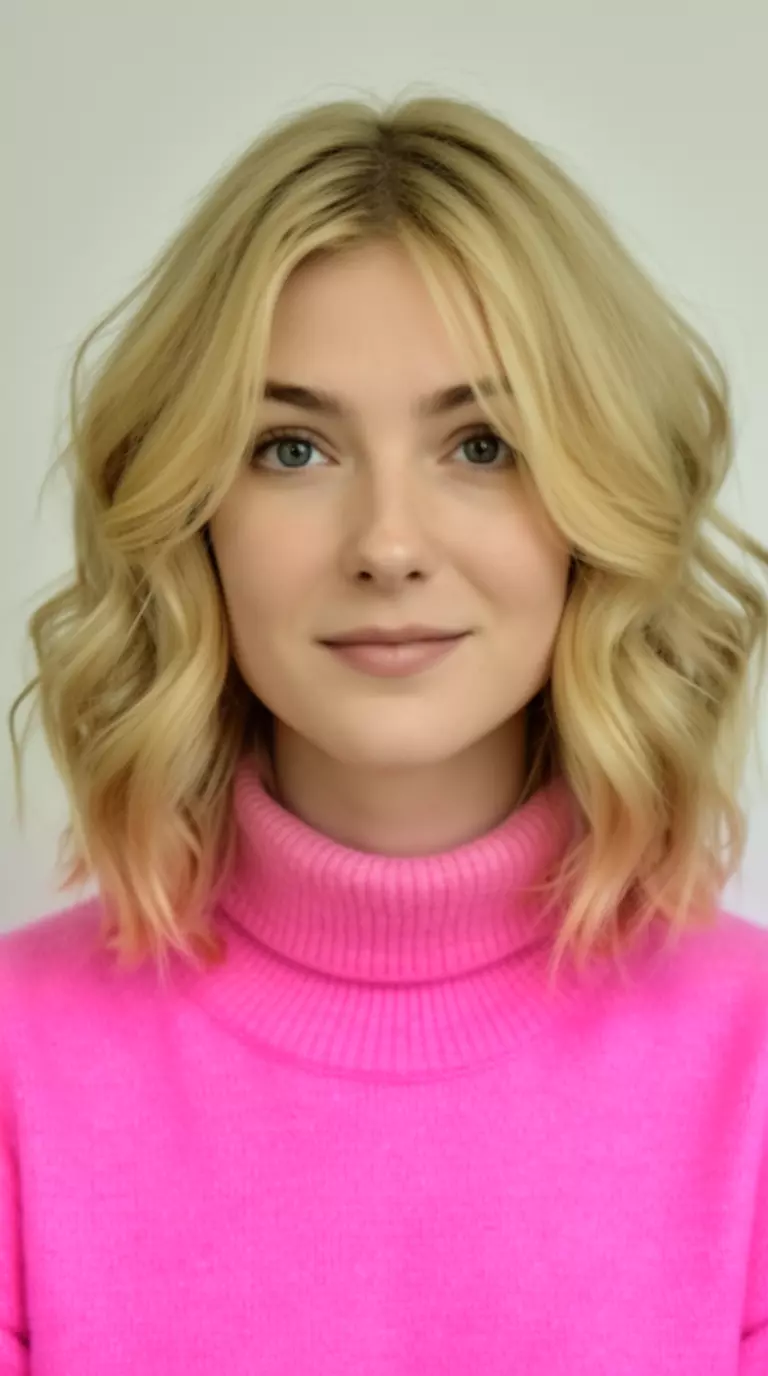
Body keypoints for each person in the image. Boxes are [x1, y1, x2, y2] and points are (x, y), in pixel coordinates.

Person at [2, 92, 768, 1374]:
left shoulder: (751, 1073)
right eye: (292, 448)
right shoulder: (16, 1067)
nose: (390, 545)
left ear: (598, 497)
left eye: (483, 443)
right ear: (191, 511)